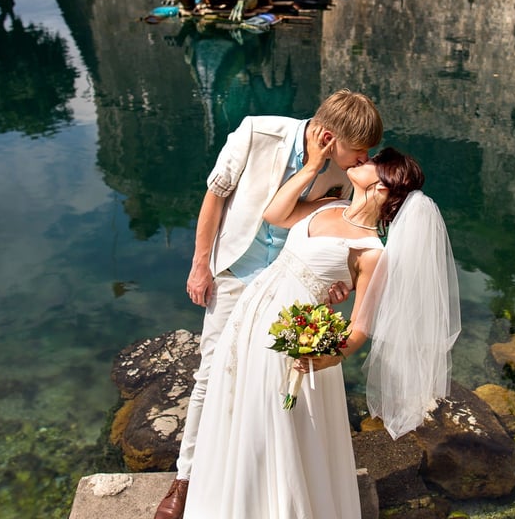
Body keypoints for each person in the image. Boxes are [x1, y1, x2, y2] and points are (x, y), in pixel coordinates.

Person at [181, 139, 461, 519]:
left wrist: (327, 358)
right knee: (233, 410)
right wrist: (311, 166)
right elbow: (275, 214)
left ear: (381, 186)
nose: (366, 159)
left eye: (375, 162)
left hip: (290, 340)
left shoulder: (372, 252)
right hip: (248, 319)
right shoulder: (332, 204)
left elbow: (360, 327)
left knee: (268, 430)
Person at [154, 90, 384, 519]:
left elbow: (335, 235)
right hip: (236, 275)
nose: (364, 158)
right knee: (211, 375)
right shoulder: (258, 132)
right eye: (360, 149)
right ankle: (185, 481)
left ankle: (264, 484)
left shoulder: (345, 173)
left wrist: (339, 285)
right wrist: (201, 265)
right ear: (330, 137)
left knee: (275, 387)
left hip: (288, 290)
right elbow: (214, 197)